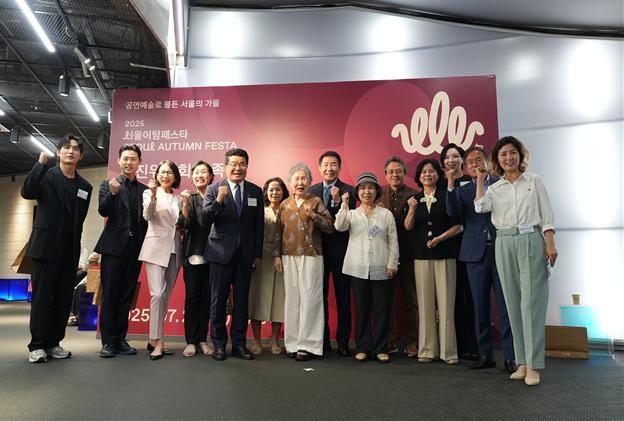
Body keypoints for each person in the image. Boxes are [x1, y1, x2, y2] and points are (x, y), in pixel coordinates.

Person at [475, 136, 558, 386]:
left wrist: (550, 243)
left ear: (520, 155)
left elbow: (547, 215)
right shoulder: (495, 188)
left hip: (530, 239)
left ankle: (534, 365)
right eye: (503, 154)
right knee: (512, 304)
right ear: (497, 160)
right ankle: (522, 361)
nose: (508, 158)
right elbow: (480, 207)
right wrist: (480, 180)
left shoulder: (534, 181)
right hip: (503, 242)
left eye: (512, 152)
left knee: (532, 304)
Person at [21, 134, 92, 363]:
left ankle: (54, 343)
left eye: (75, 149)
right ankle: (37, 345)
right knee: (42, 298)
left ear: (81, 156)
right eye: (66, 148)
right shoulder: (46, 175)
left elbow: (80, 219)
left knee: (62, 299)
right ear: (59, 152)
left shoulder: (85, 187)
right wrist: (40, 164)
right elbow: (27, 192)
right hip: (45, 248)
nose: (71, 151)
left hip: (69, 251)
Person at [446, 146, 516, 373]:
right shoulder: (463, 190)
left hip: (501, 249)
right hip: (474, 254)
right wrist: (450, 185)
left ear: (488, 163)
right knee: (480, 306)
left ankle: (511, 356)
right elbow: (452, 213)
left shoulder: (501, 184)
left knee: (506, 306)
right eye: (470, 162)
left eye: (479, 160)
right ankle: (485, 354)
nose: (475, 164)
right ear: (466, 168)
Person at [203, 148, 264, 361]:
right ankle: (219, 344)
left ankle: (239, 344)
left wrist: (257, 254)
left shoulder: (255, 191)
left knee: (242, 302)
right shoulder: (213, 189)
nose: (238, 168)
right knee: (218, 301)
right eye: (234, 164)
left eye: (242, 164)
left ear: (247, 166)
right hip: (219, 254)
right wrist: (219, 200)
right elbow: (205, 219)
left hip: (245, 256)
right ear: (225, 166)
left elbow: (258, 226)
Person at [335, 172, 399, 363]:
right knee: (362, 310)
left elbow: (393, 240)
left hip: (382, 267)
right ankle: (363, 347)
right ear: (357, 192)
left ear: (376, 191)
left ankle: (381, 348)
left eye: (370, 188)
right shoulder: (352, 214)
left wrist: (392, 263)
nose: (366, 191)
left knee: (381, 310)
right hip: (358, 268)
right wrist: (344, 204)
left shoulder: (385, 214)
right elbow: (339, 226)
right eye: (362, 188)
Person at [273, 163, 334, 361]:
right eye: (296, 179)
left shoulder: (316, 201)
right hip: (288, 255)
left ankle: (309, 345)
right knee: (292, 299)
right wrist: (276, 256)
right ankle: (292, 343)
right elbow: (278, 232)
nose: (300, 182)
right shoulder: (284, 204)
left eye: (303, 178)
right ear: (290, 183)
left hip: (312, 255)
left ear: (310, 181)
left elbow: (330, 226)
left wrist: (314, 216)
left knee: (311, 299)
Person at [404, 159, 462, 364]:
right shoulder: (414, 199)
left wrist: (440, 238)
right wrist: (412, 209)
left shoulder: (448, 195)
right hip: (421, 256)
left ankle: (449, 352)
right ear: (418, 177)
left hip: (445, 254)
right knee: (425, 304)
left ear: (438, 174)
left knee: (446, 304)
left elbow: (459, 225)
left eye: (431, 171)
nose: (427, 175)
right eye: (423, 172)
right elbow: (408, 226)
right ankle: (427, 349)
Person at [95, 144, 148, 358]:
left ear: (139, 162)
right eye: (125, 158)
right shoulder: (108, 184)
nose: (129, 162)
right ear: (119, 161)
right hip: (113, 248)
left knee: (126, 295)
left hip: (136, 249)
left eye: (133, 159)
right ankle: (108, 341)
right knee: (110, 295)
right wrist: (112, 193)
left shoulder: (145, 190)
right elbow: (103, 210)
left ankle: (120, 338)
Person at [309, 151, 356, 356]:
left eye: (333, 164)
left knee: (343, 298)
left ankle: (343, 343)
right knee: (318, 298)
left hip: (341, 252)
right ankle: (323, 341)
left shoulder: (349, 191)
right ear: (320, 168)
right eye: (326, 165)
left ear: (339, 167)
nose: (329, 168)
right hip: (316, 252)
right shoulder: (311, 191)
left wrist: (337, 201)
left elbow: (345, 223)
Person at [138, 160, 183, 360]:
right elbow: (147, 215)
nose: (165, 175)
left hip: (174, 249)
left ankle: (153, 339)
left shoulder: (179, 198)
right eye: (162, 172)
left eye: (169, 172)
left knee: (165, 297)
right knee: (157, 294)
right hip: (155, 247)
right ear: (157, 175)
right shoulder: (149, 193)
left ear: (175, 177)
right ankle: (159, 341)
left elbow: (181, 224)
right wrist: (154, 195)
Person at [440, 143, 478, 361]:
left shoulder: (470, 181)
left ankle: (475, 344)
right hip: (448, 247)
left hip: (470, 244)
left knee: (471, 295)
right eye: (447, 157)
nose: (451, 160)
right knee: (453, 298)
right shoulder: (441, 183)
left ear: (462, 160)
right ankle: (459, 344)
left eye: (455, 156)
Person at [378, 156, 418, 357]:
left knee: (411, 299)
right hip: (384, 256)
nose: (395, 174)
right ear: (385, 175)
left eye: (398, 171)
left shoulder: (415, 195)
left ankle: (412, 341)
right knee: (386, 299)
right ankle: (390, 340)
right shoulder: (378, 194)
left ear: (404, 173)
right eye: (391, 171)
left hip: (408, 255)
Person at [248, 177, 289, 356]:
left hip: (282, 260)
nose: (274, 193)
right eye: (271, 190)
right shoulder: (260, 210)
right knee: (256, 299)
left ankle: (274, 341)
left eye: (278, 189)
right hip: (261, 258)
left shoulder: (288, 209)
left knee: (279, 301)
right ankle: (256, 342)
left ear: (283, 191)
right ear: (265, 192)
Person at [178, 161, 215, 357]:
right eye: (197, 172)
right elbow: (185, 223)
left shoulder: (217, 197)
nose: (200, 175)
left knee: (207, 299)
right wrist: (184, 204)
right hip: (194, 254)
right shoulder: (190, 198)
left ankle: (202, 339)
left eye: (204, 172)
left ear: (211, 176)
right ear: (192, 177)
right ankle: (191, 341)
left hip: (215, 255)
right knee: (192, 298)